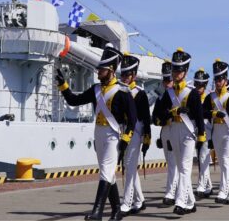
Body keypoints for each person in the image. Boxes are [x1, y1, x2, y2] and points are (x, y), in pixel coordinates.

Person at [56, 43, 136, 221]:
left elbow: (132, 119)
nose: (98, 72)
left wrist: (126, 138)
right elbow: (74, 101)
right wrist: (63, 86)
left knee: (106, 172)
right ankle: (116, 211)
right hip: (98, 133)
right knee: (108, 174)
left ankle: (97, 212)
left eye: (102, 69)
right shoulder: (96, 90)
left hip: (113, 135)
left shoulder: (123, 91)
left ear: (112, 70)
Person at [154, 48, 206, 215]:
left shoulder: (192, 93)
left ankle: (181, 202)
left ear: (185, 71)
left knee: (184, 168)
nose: (176, 73)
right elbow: (159, 113)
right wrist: (171, 113)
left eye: (179, 70)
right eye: (175, 70)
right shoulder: (168, 93)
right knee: (180, 166)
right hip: (174, 129)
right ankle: (191, 202)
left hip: (188, 132)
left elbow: (199, 116)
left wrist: (201, 136)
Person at [202, 59, 229, 204]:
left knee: (226, 162)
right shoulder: (210, 97)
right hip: (216, 132)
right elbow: (202, 112)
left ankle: (222, 191)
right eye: (216, 79)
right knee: (222, 162)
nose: (218, 81)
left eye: (221, 79)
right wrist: (213, 114)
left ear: (226, 79)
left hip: (228, 132)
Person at [118, 53, 150, 216]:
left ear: (134, 75)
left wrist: (147, 139)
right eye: (122, 74)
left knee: (129, 168)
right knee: (130, 167)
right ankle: (139, 200)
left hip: (136, 133)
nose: (124, 77)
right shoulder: (119, 91)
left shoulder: (140, 93)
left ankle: (127, 203)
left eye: (127, 74)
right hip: (122, 131)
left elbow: (146, 117)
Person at [152, 60, 178, 205]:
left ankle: (171, 193)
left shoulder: (178, 96)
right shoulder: (161, 97)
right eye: (165, 80)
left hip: (178, 130)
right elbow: (155, 116)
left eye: (169, 80)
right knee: (171, 163)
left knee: (176, 164)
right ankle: (173, 192)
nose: (166, 83)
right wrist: (159, 121)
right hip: (166, 131)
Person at [192, 68, 213, 199]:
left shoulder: (209, 98)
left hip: (206, 129)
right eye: (196, 84)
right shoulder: (192, 96)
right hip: (194, 129)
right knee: (201, 158)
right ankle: (208, 187)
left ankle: (201, 185)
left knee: (203, 157)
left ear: (205, 85)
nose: (198, 87)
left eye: (201, 85)